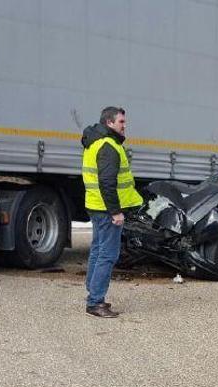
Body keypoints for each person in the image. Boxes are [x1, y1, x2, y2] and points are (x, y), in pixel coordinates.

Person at [82, 107, 144, 318]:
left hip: (96, 206)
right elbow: (107, 183)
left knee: (98, 251)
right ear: (109, 123)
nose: (124, 125)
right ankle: (95, 302)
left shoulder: (95, 142)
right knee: (108, 254)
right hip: (107, 210)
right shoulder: (108, 146)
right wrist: (116, 212)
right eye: (121, 122)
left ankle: (93, 294)